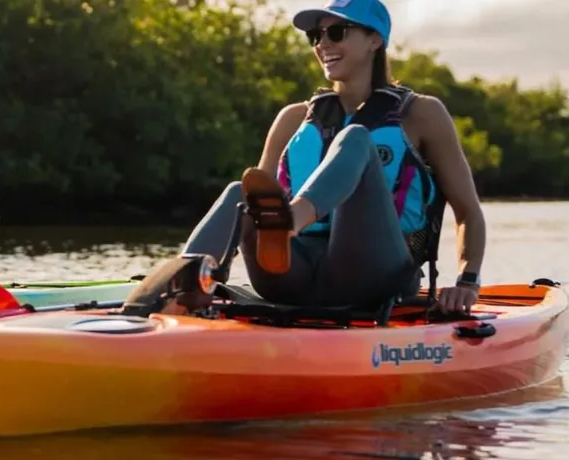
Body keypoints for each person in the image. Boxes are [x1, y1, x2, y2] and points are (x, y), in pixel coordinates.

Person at [179, 0, 487, 313]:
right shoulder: (292, 119)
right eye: (316, 36)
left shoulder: (422, 114)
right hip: (292, 275)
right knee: (239, 194)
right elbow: (256, 205)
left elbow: (468, 212)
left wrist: (467, 282)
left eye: (337, 32)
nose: (323, 44)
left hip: (375, 274)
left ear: (374, 40)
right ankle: (181, 286)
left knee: (355, 138)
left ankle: (291, 220)